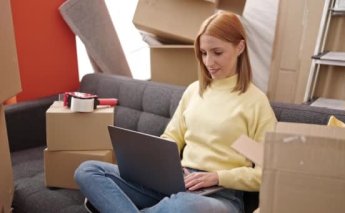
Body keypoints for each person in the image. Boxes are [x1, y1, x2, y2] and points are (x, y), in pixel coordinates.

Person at [74, 11, 277, 213]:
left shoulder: (256, 103)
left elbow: (267, 172)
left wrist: (217, 177)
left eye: (217, 52)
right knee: (88, 171)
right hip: (178, 183)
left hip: (221, 196)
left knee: (183, 205)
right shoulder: (194, 91)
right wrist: (166, 165)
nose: (208, 62)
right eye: (204, 53)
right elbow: (171, 136)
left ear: (240, 47)